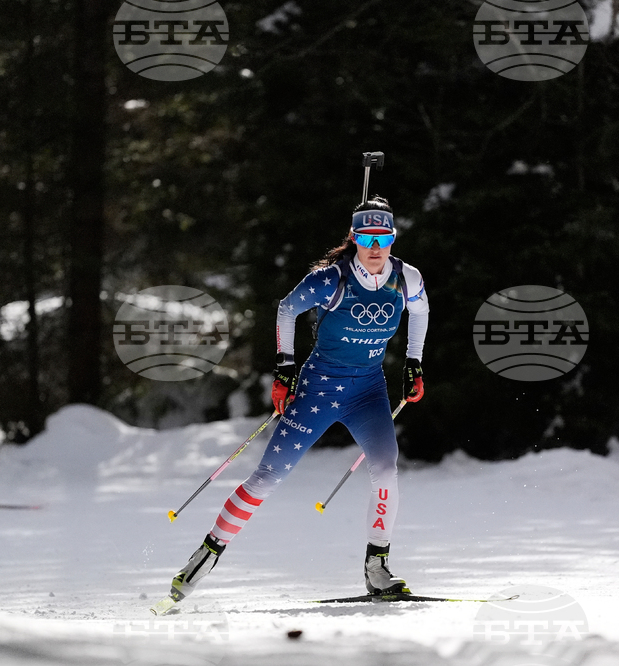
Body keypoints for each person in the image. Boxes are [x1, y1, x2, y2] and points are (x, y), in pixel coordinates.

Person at [156, 196, 429, 611]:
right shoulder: (330, 280)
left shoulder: (406, 278)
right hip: (318, 392)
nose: (375, 247)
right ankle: (205, 557)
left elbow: (421, 311)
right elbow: (286, 309)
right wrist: (285, 367)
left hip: (368, 393)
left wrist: (413, 361)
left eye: (383, 238)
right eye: (366, 238)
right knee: (268, 477)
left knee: (387, 468)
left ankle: (378, 566)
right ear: (354, 238)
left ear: (393, 238)